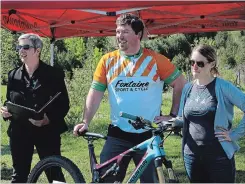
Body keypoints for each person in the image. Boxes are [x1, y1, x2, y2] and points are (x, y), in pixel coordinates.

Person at [73, 13, 186, 183]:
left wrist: (173, 114)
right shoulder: (107, 61)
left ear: (138, 34)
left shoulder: (154, 60)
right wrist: (86, 121)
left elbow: (180, 83)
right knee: (106, 180)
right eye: (117, 31)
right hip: (118, 134)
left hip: (149, 133)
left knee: (152, 181)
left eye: (125, 32)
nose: (119, 36)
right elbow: (95, 93)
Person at [160, 44, 245, 183]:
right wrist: (170, 121)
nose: (194, 67)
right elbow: (183, 118)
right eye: (192, 62)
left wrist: (234, 135)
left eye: (200, 63)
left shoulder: (223, 87)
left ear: (212, 64)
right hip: (191, 156)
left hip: (218, 157)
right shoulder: (188, 88)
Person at [0, 33, 70, 183]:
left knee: (54, 174)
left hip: (47, 131)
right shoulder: (13, 75)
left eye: (26, 47)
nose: (21, 50)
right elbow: (9, 101)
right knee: (19, 176)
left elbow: (64, 103)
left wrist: (48, 119)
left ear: (37, 50)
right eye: (19, 47)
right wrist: (6, 111)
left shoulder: (53, 74)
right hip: (20, 133)